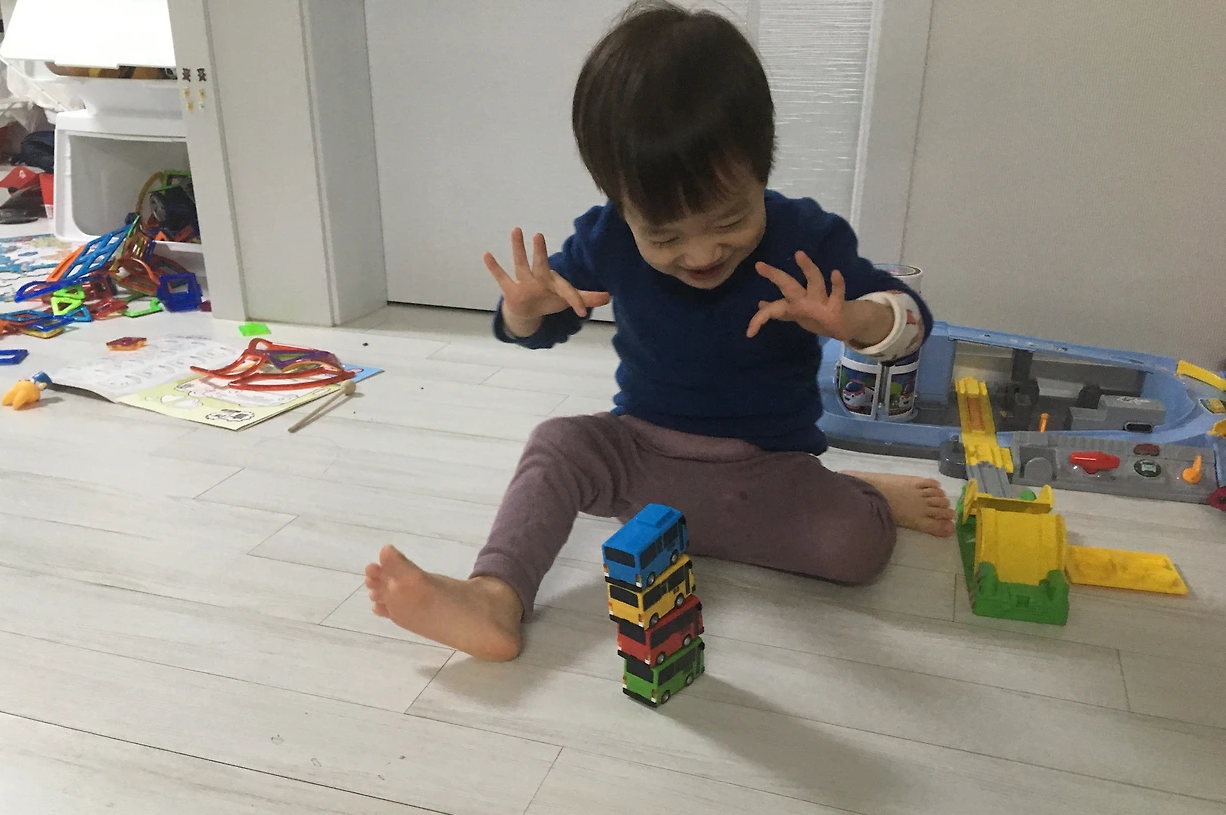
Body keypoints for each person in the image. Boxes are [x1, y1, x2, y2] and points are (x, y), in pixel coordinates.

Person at [365, 0, 955, 661]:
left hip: (765, 470)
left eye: (729, 220)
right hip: (639, 459)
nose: (700, 253)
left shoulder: (805, 238)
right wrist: (524, 311)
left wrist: (855, 320)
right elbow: (539, 326)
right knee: (557, 442)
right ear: (622, 203)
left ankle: (864, 492)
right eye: (665, 235)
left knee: (856, 549)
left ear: (761, 170)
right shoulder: (608, 236)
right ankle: (494, 598)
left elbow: (912, 321)